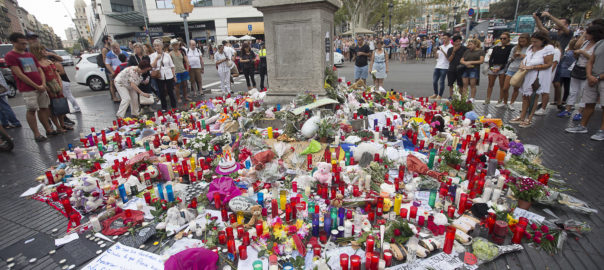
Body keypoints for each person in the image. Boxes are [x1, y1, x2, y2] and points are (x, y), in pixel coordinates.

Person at [6, 32, 54, 142]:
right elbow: (19, 74)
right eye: (21, 43)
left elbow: (39, 69)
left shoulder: (29, 55)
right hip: (28, 88)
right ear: (13, 42)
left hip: (40, 86)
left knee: (44, 108)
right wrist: (36, 86)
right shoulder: (11, 56)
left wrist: (43, 83)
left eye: (25, 43)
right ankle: (37, 133)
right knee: (32, 110)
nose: (24, 45)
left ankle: (48, 129)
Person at [565, 24, 604, 140]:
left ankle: (602, 130)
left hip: (600, 79)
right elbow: (591, 61)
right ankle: (582, 126)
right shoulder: (600, 44)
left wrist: (598, 78)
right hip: (592, 77)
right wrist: (589, 75)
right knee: (589, 103)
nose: (586, 35)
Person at [510, 31, 554, 128]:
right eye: (532, 41)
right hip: (526, 74)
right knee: (525, 96)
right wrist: (522, 64)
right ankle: (522, 117)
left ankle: (529, 118)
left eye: (536, 42)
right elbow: (526, 58)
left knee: (533, 96)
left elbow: (548, 64)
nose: (533, 44)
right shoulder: (530, 47)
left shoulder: (548, 48)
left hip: (537, 75)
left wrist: (532, 67)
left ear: (542, 41)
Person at [558, 26, 602, 120]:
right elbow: (576, 46)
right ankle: (568, 109)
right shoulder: (586, 42)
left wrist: (582, 52)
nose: (586, 35)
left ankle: (580, 111)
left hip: (588, 70)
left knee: (584, 91)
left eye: (588, 34)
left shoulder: (598, 45)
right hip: (578, 67)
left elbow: (593, 58)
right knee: (573, 90)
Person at [30, 44, 68, 134]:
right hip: (48, 85)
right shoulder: (37, 63)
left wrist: (60, 84)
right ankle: (58, 127)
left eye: (44, 50)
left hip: (56, 84)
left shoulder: (49, 61)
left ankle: (62, 124)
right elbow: (39, 76)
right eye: (41, 50)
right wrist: (46, 86)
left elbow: (57, 73)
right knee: (52, 108)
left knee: (60, 105)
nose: (44, 51)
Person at [501, 33, 530, 110]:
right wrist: (514, 56)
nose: (522, 43)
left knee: (516, 88)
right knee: (505, 88)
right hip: (511, 68)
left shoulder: (529, 49)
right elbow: (509, 59)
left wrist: (523, 56)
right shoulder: (515, 48)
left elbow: (531, 59)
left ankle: (512, 103)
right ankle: (505, 102)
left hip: (520, 70)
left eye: (523, 41)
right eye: (520, 41)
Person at [150, 39, 176, 111]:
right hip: (159, 76)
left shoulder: (167, 55)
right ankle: (164, 107)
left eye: (158, 45)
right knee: (161, 92)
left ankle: (174, 106)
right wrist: (156, 58)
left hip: (169, 75)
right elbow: (152, 66)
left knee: (170, 91)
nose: (157, 47)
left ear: (161, 46)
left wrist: (174, 75)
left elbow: (172, 66)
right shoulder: (152, 56)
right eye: (155, 46)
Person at [486, 32, 513, 105]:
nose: (502, 40)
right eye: (501, 38)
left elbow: (508, 60)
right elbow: (491, 58)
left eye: (504, 38)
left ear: (508, 39)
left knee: (502, 85)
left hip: (503, 67)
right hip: (494, 66)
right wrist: (491, 67)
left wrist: (500, 68)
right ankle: (487, 99)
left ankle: (500, 100)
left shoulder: (511, 47)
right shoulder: (496, 47)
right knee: (490, 84)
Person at [430, 33, 452, 99]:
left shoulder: (450, 47)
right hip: (438, 65)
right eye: (443, 38)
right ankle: (435, 93)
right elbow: (436, 57)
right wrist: (434, 52)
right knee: (434, 81)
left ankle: (440, 95)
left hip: (445, 66)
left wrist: (442, 51)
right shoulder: (441, 46)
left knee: (441, 81)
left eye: (445, 38)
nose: (443, 40)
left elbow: (449, 58)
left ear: (449, 39)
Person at [556, 39, 576, 110]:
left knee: (559, 86)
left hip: (562, 71)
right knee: (566, 87)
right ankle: (563, 100)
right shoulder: (575, 53)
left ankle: (559, 100)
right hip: (569, 72)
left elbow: (561, 60)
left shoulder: (567, 53)